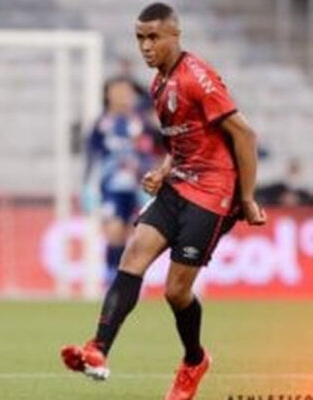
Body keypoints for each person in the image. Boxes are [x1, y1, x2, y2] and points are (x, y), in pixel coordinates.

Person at [61, 3, 267, 400]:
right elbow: (182, 138)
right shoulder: (157, 84)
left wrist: (247, 198)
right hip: (179, 185)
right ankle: (98, 349)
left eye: (153, 37)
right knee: (133, 255)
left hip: (213, 192)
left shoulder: (198, 79)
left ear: (175, 36)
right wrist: (163, 169)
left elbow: (244, 136)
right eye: (140, 38)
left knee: (176, 291)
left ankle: (194, 361)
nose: (146, 46)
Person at [81, 77, 158, 283]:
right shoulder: (101, 123)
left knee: (131, 236)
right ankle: (111, 278)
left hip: (138, 187)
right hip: (111, 187)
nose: (123, 95)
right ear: (107, 94)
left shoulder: (140, 121)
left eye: (127, 91)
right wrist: (87, 186)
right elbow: (91, 156)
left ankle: (125, 280)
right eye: (118, 91)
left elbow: (154, 146)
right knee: (114, 232)